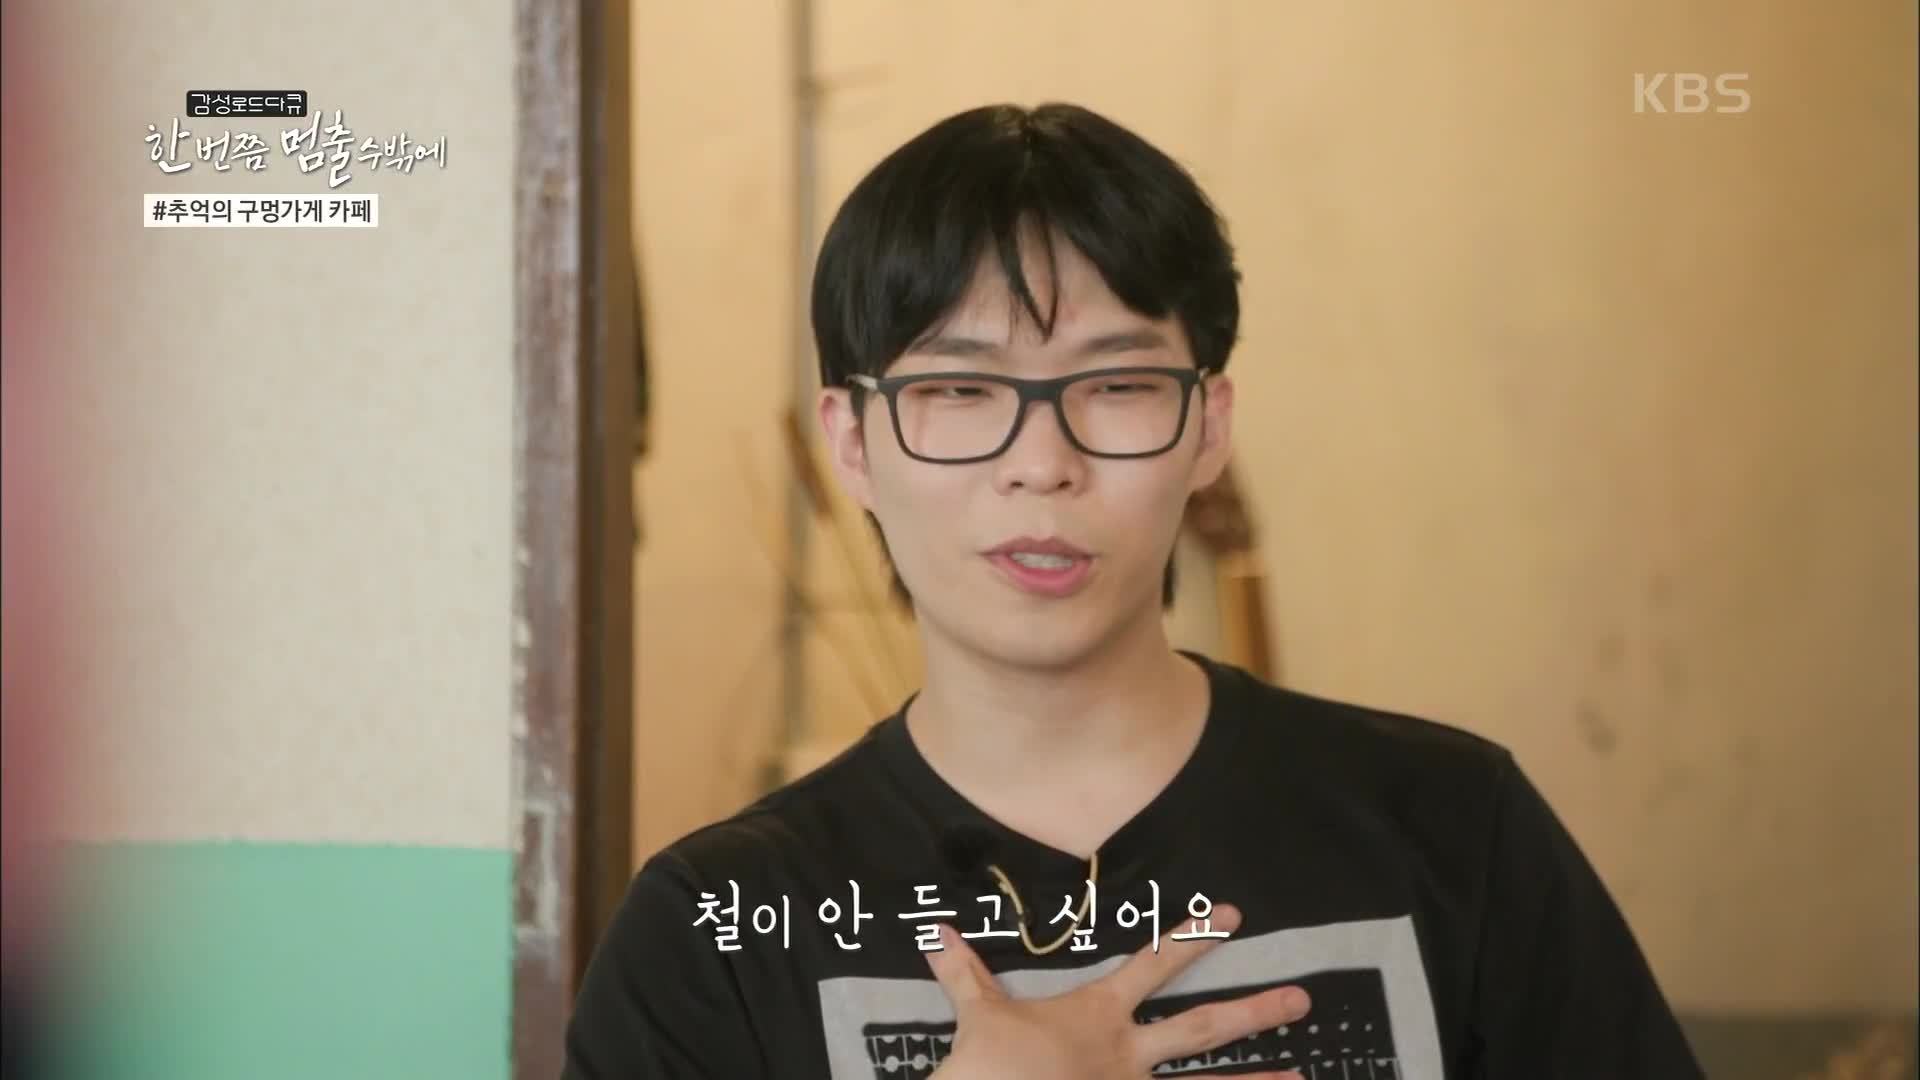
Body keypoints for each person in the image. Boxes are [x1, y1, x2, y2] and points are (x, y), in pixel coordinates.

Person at [562, 102, 1704, 1080]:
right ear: (852, 443)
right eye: (959, 391)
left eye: (1114, 385)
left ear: (1208, 427)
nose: (1041, 462)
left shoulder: (1453, 829)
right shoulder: (717, 927)